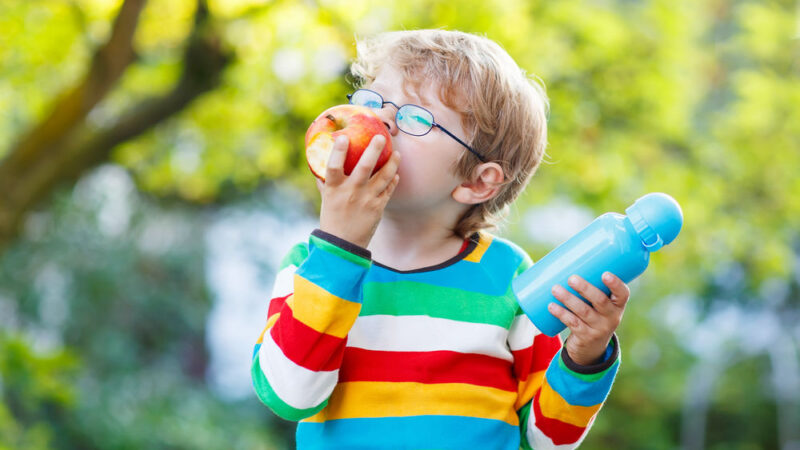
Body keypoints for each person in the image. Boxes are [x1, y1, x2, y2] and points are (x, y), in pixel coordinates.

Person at [251, 29, 630, 449]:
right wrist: (339, 247)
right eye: (373, 102)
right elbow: (290, 395)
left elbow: (548, 440)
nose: (380, 121)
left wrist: (585, 356)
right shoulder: (313, 264)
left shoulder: (508, 275)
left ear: (477, 182)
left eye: (416, 117)